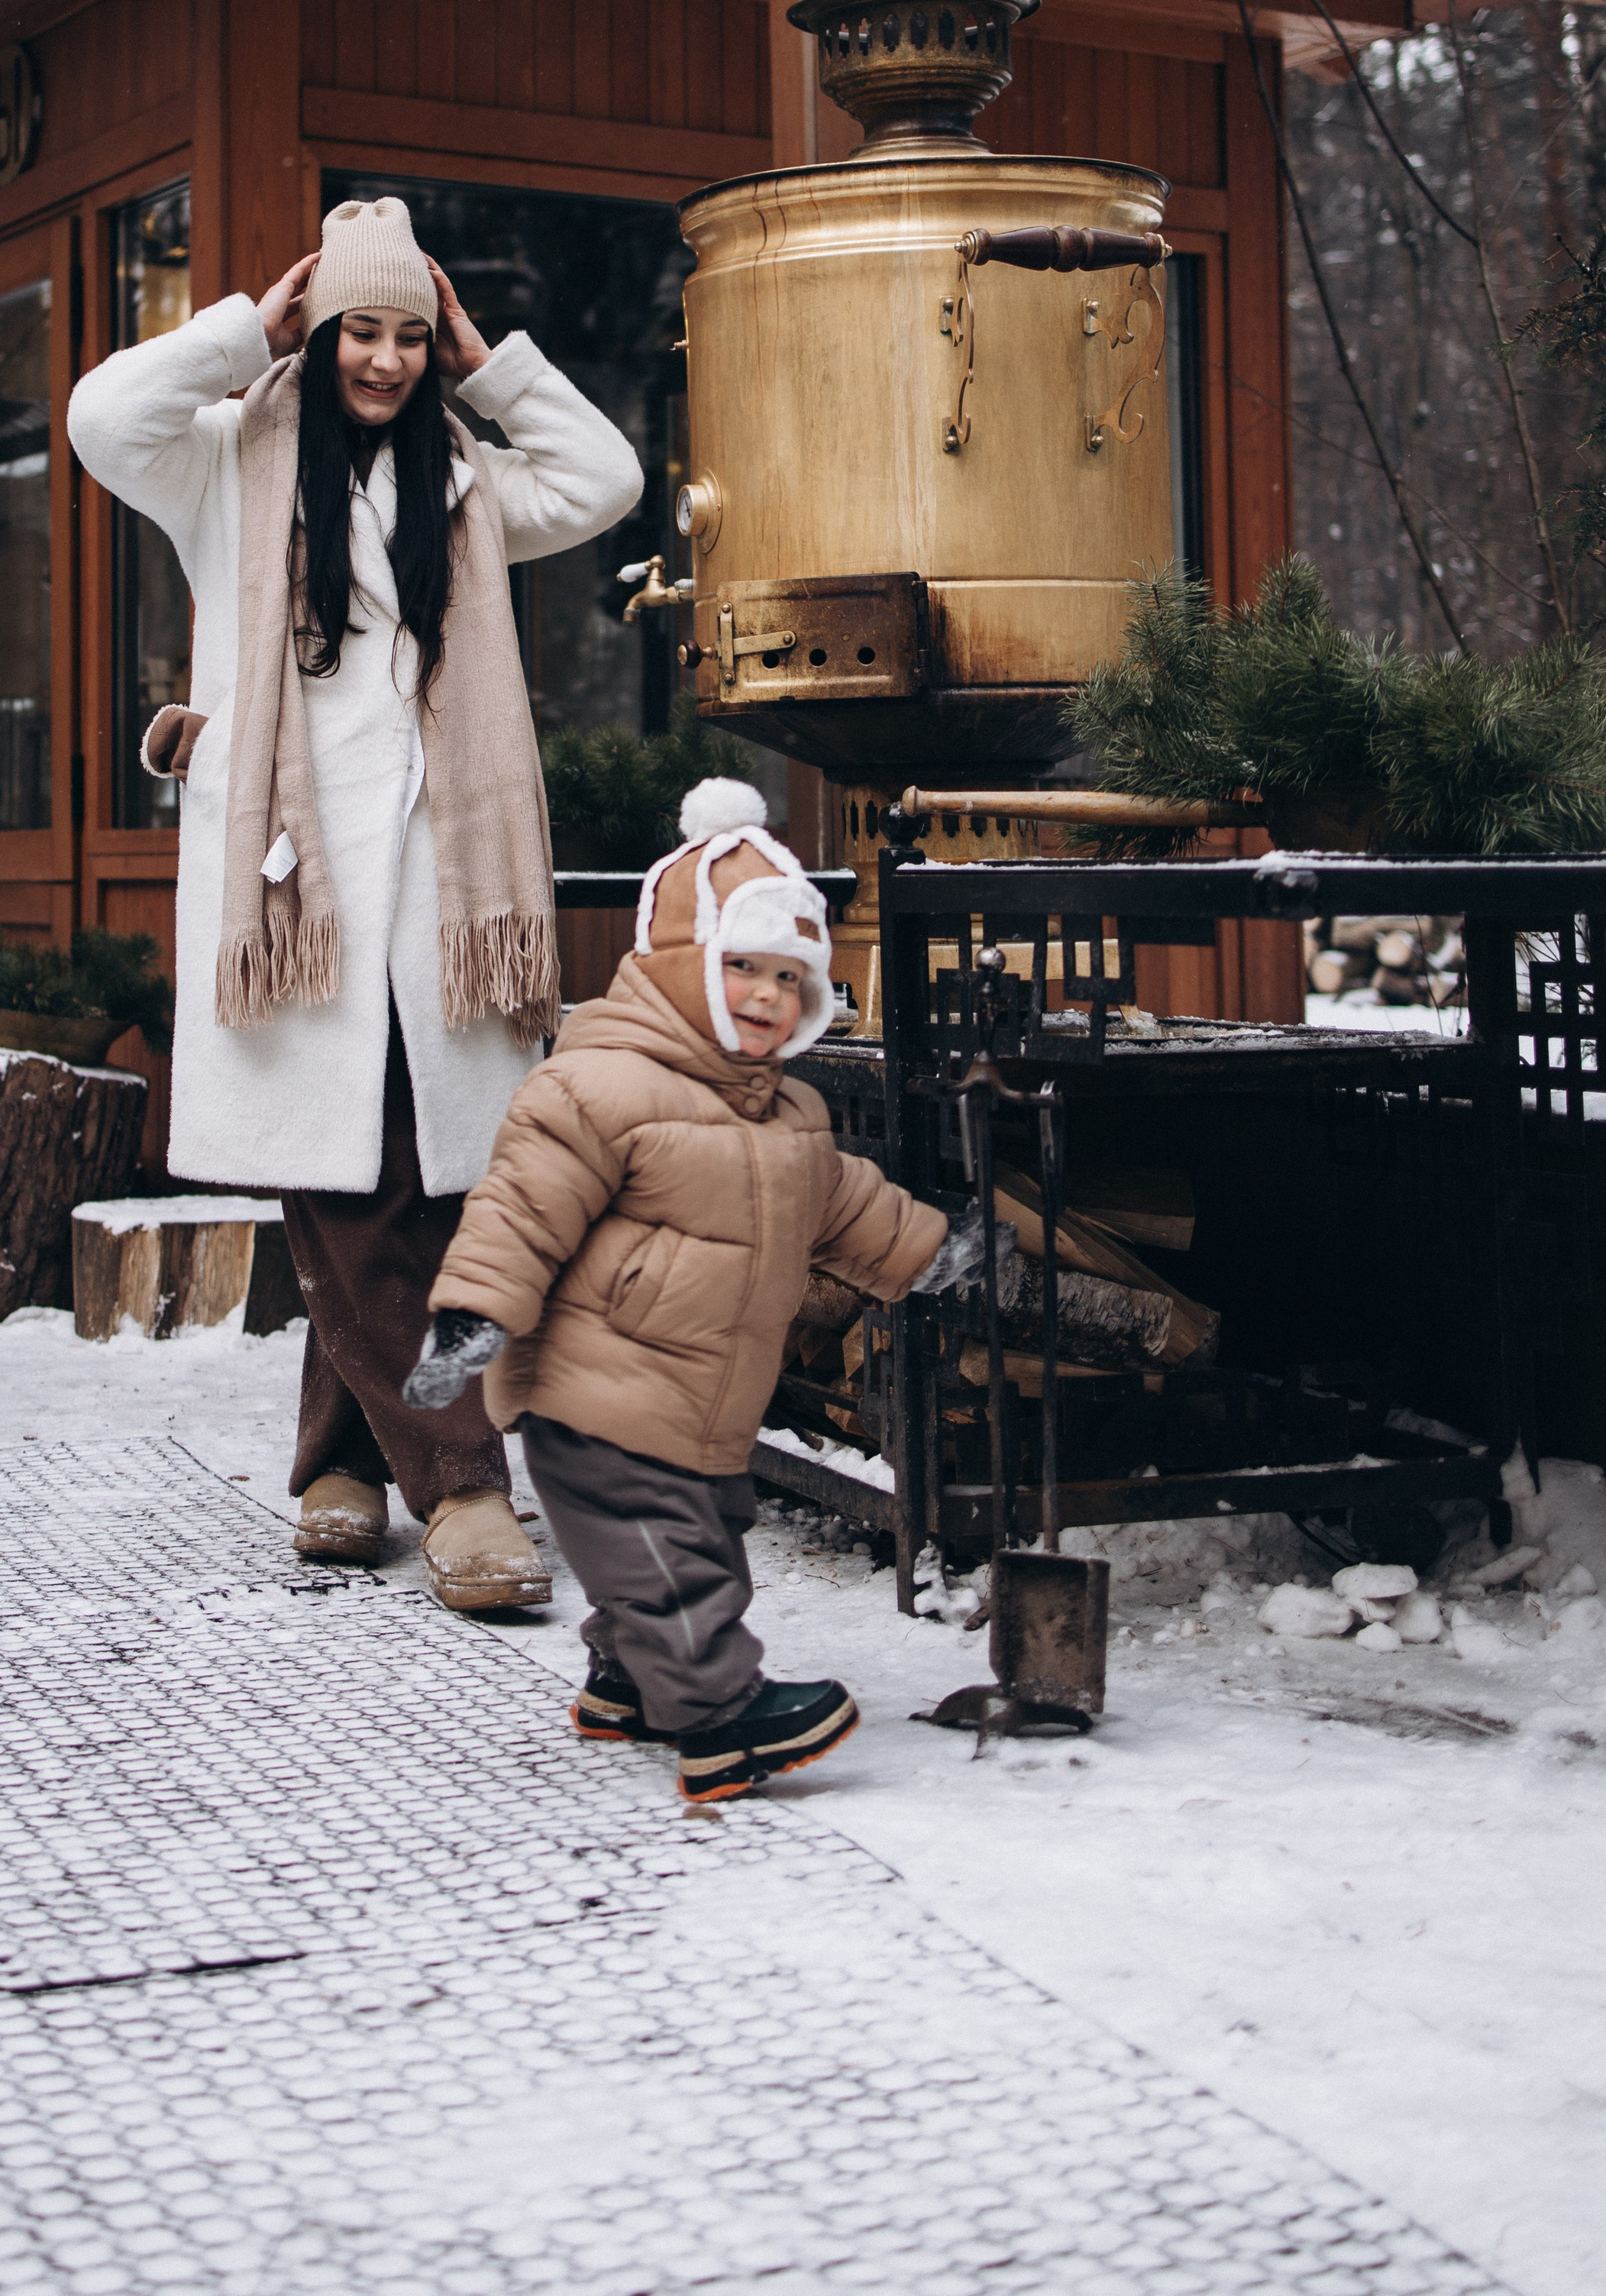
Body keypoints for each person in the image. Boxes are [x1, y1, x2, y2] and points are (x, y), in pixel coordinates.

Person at [67, 195, 644, 1610]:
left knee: (397, 1178)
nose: (383, 361)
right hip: (296, 888)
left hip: (443, 891)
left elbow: (608, 475)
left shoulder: (464, 480)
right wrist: (237, 334)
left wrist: (486, 357)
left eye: (405, 336)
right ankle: (461, 1487)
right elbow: (98, 414)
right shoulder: (223, 461)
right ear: (315, 334)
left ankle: (337, 1466)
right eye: (357, 333)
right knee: (362, 1177)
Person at [400, 778, 999, 1802]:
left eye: (790, 978)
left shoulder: (789, 1117)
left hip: (699, 1408)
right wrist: (473, 1315)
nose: (768, 996)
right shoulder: (600, 1086)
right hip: (595, 1398)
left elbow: (850, 1208)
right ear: (681, 967)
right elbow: (520, 1208)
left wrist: (933, 1253)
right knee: (676, 1566)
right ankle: (719, 1720)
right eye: (742, 969)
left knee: (703, 1536)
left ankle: (625, 1684)